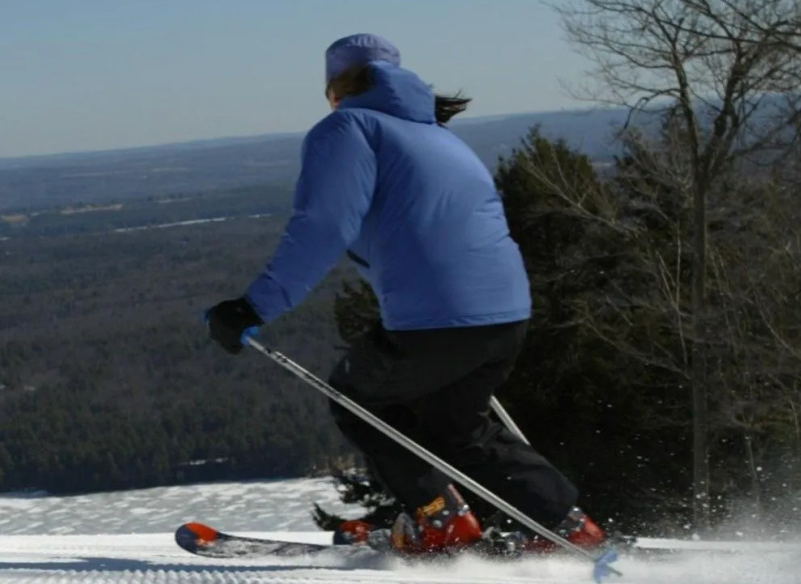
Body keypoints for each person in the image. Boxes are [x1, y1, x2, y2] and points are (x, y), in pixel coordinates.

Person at [205, 33, 606, 555]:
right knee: (457, 428)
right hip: (505, 311)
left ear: (335, 87)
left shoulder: (349, 128)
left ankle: (439, 521)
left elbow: (323, 225)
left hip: (438, 316)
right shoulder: (437, 136)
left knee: (357, 398)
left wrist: (254, 306)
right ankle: (568, 526)